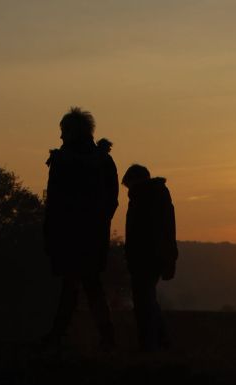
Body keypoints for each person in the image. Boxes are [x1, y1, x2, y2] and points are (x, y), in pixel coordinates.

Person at [43, 107, 118, 350]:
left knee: (72, 284)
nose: (61, 137)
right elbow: (111, 200)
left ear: (73, 131)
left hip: (68, 233)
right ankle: (104, 335)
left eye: (64, 131)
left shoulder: (63, 160)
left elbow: (54, 201)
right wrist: (99, 221)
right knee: (89, 284)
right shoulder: (103, 161)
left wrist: (53, 229)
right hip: (92, 234)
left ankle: (60, 333)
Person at [121, 164, 177, 351]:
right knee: (147, 300)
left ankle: (150, 344)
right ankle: (160, 342)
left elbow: (151, 231)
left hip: (146, 257)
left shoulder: (145, 198)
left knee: (144, 301)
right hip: (150, 257)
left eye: (129, 185)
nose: (128, 190)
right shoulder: (154, 196)